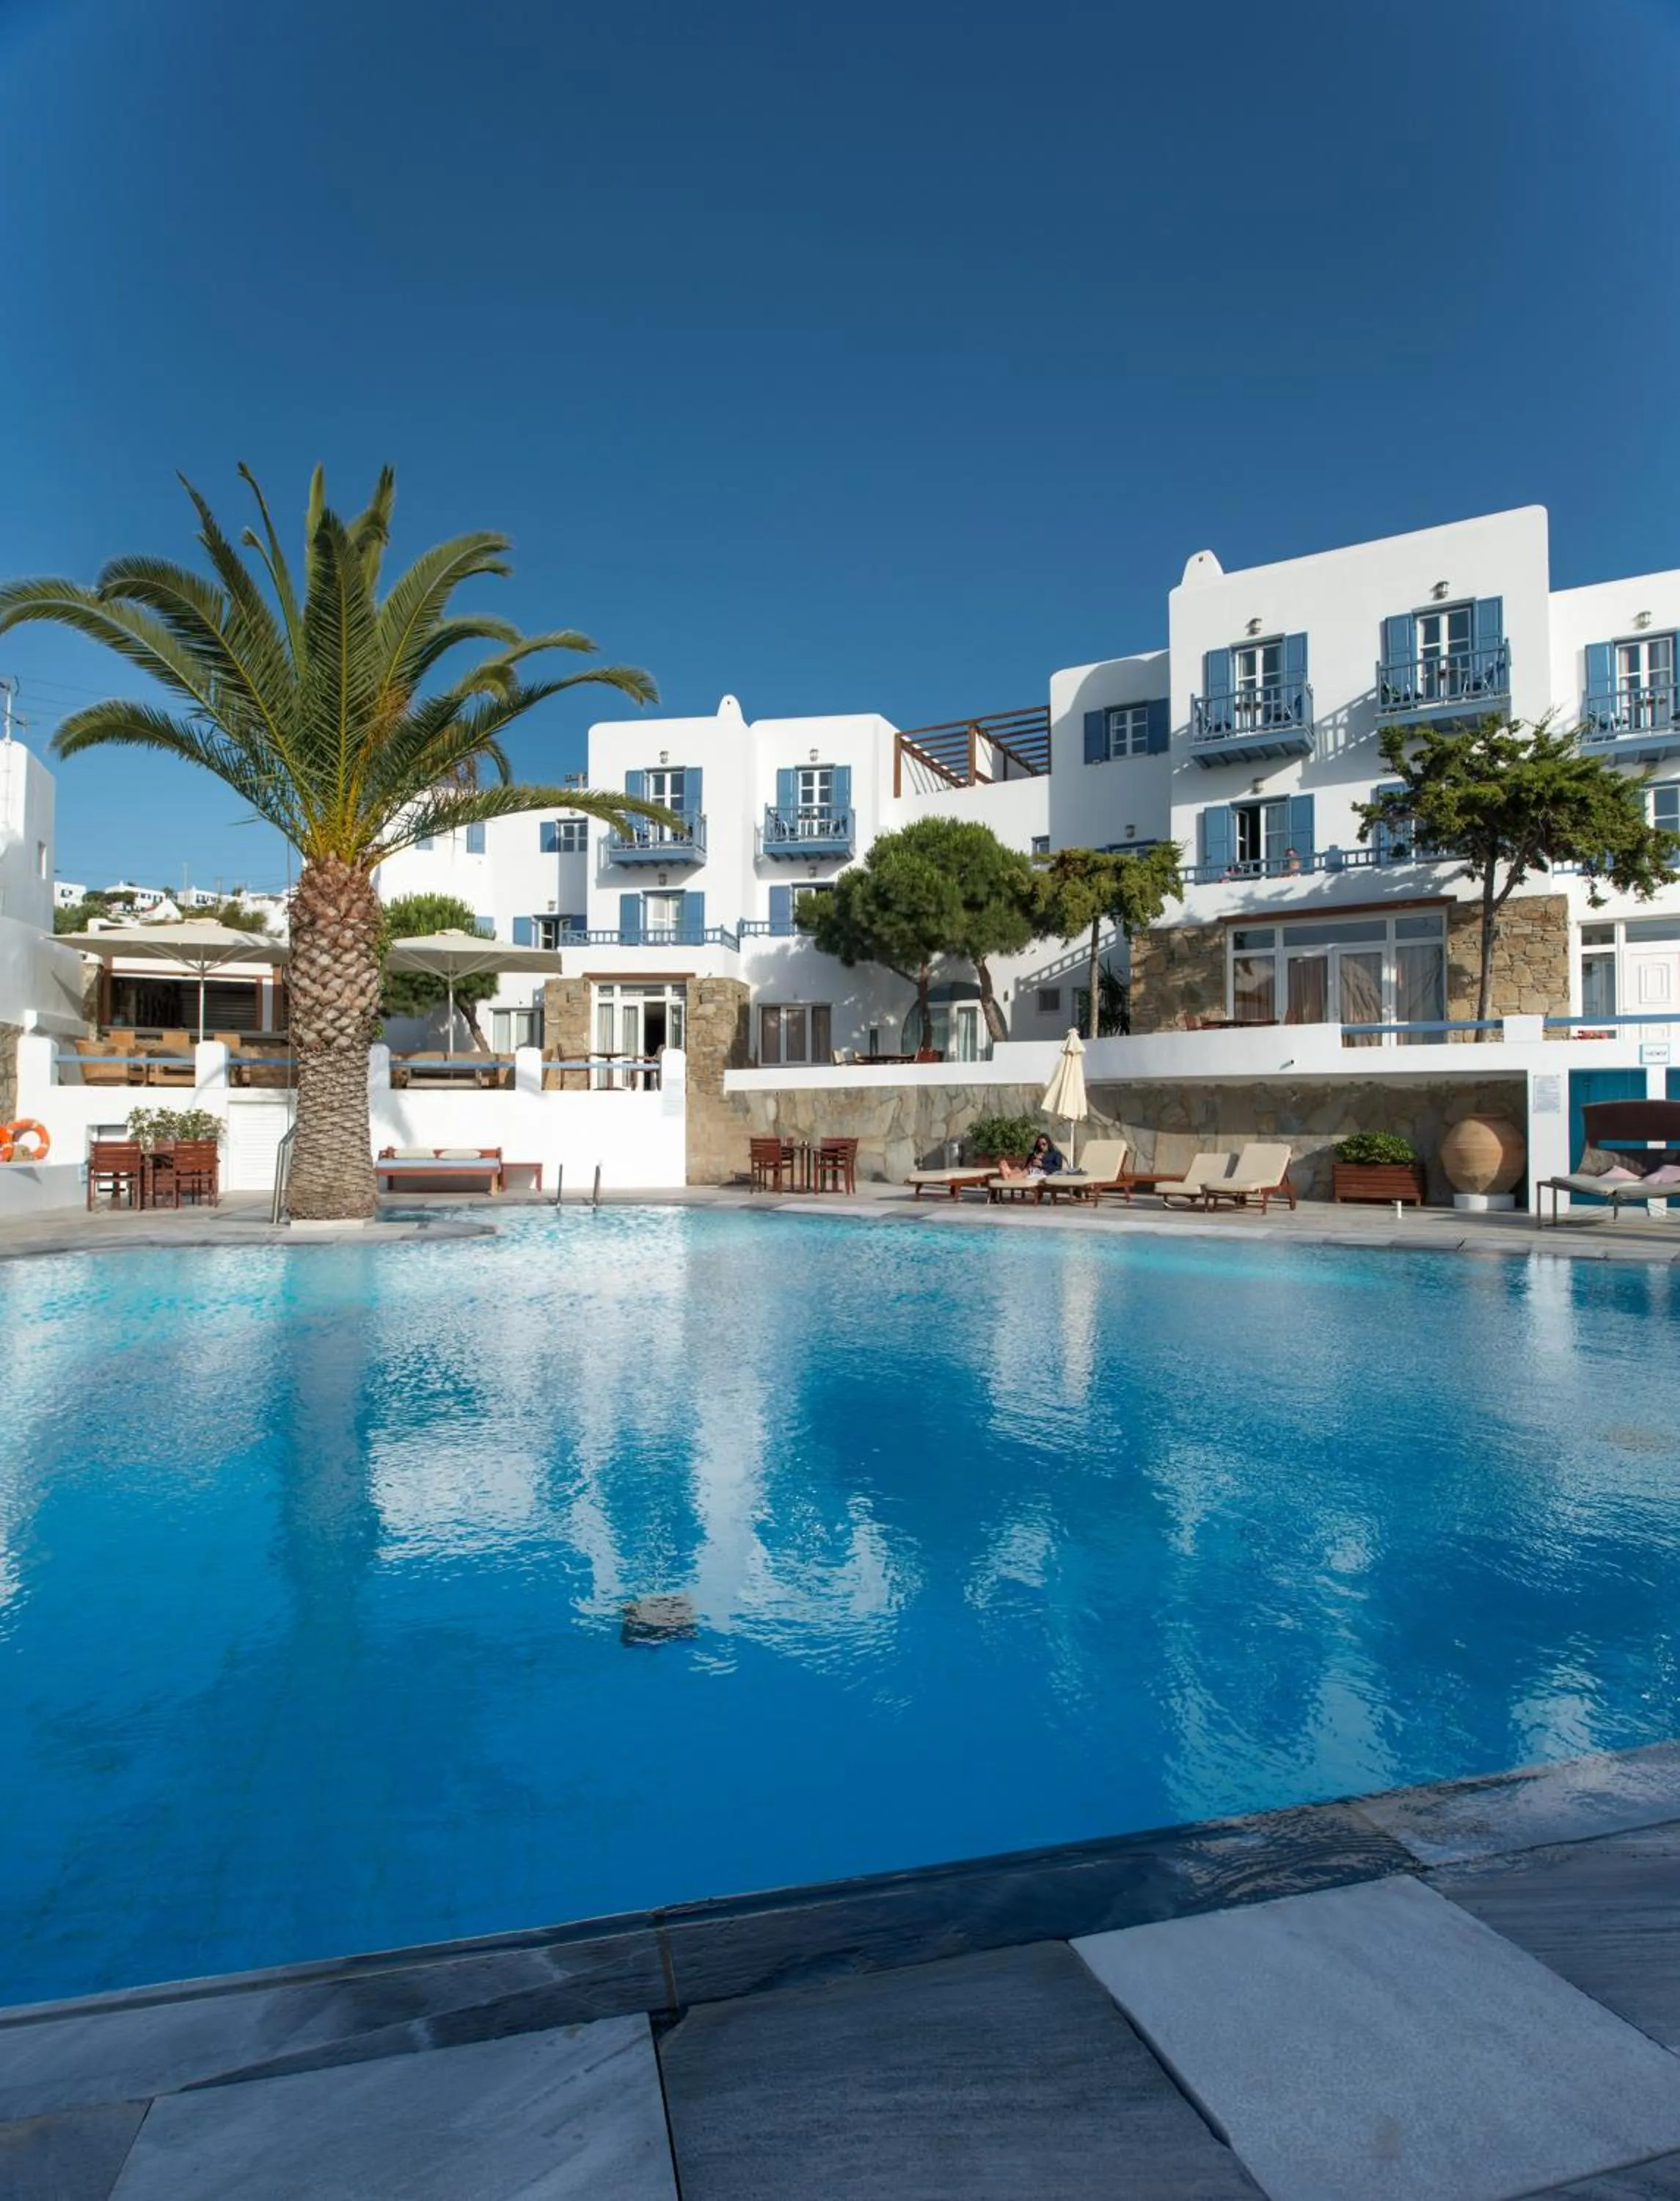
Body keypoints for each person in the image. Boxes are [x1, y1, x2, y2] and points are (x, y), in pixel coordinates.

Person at [997, 1134, 1066, 1180]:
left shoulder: (1056, 1154)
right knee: (1018, 1168)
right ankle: (1009, 1172)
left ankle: (1008, 1177)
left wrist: (1042, 1164)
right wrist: (1034, 1158)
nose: (1041, 1147)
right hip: (1031, 1169)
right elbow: (1027, 1164)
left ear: (1048, 1143)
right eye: (1039, 1145)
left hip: (1043, 1172)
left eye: (1044, 1144)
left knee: (1027, 1171)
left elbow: (1058, 1168)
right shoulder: (1036, 1153)